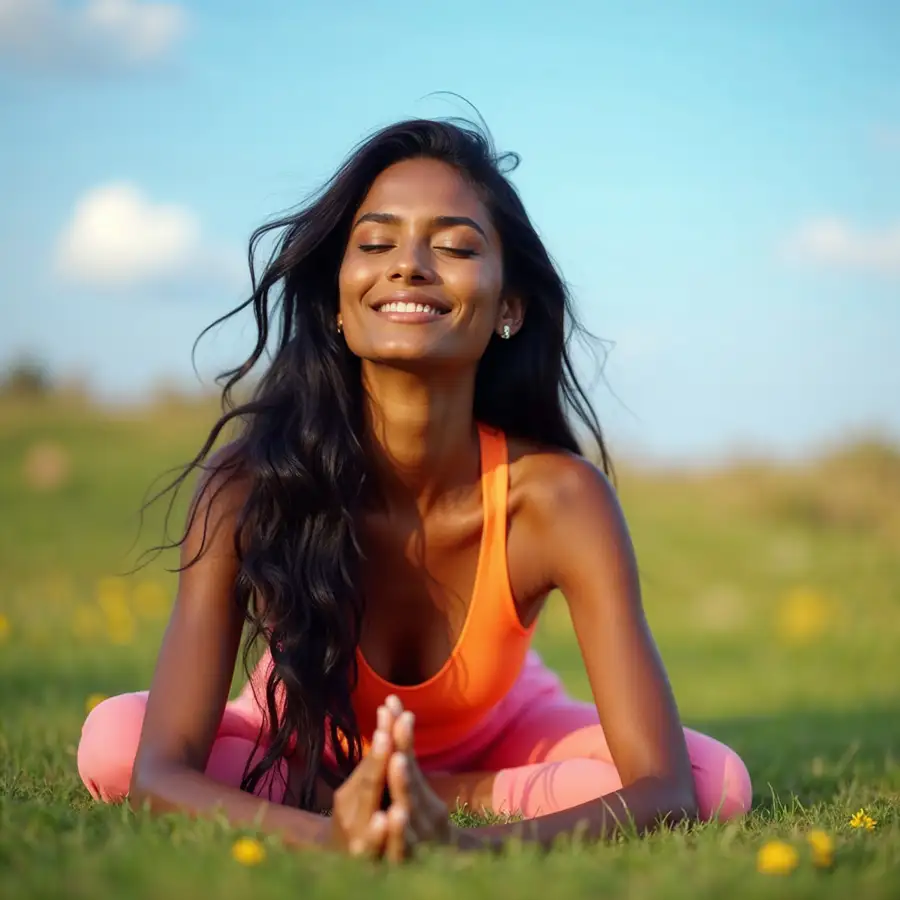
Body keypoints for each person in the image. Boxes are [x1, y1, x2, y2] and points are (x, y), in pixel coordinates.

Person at [77, 117, 752, 860]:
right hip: (304, 740)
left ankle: (439, 790)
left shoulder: (558, 501)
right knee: (112, 740)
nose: (409, 266)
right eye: (375, 243)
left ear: (509, 307)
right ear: (337, 299)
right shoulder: (250, 486)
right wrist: (333, 835)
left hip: (504, 743)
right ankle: (370, 794)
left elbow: (665, 787)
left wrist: (465, 843)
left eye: (457, 246)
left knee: (716, 780)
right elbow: (156, 770)